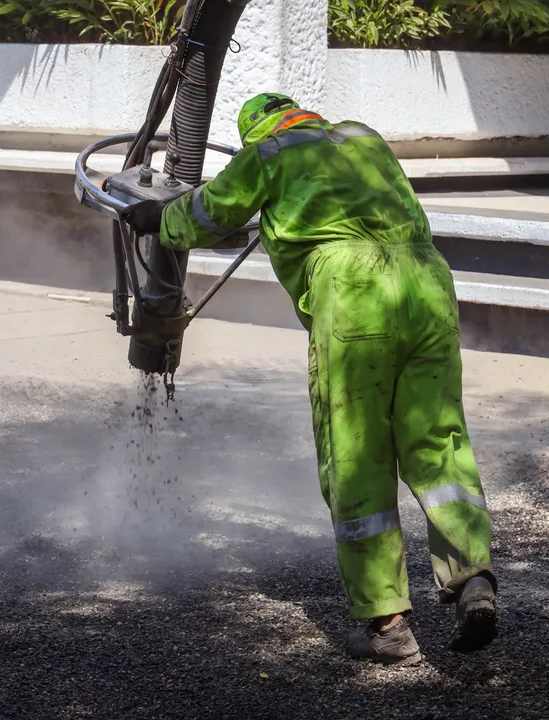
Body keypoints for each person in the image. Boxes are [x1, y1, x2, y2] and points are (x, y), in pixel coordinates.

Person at [122, 93, 498, 664]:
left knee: (357, 450)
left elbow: (210, 213)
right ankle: (473, 576)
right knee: (438, 437)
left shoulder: (268, 154)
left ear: (254, 132)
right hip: (428, 282)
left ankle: (386, 623)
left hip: (355, 296)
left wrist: (159, 218)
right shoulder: (363, 137)